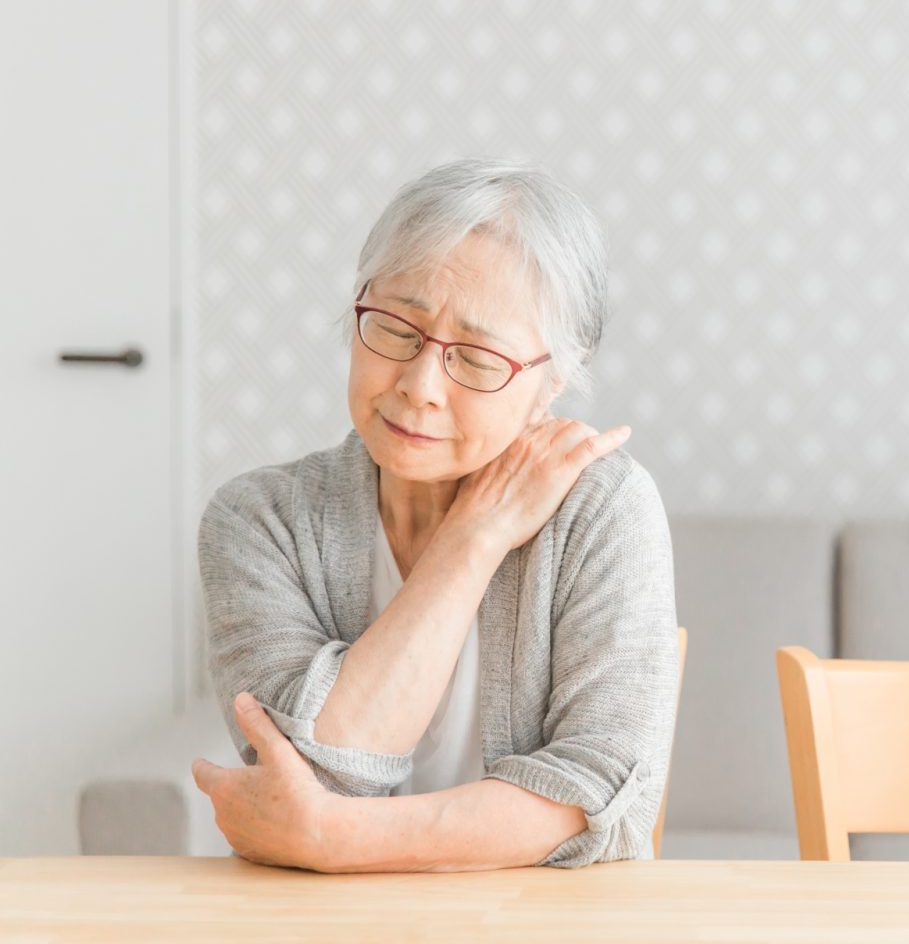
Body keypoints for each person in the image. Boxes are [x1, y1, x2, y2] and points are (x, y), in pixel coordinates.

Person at [189, 159, 678, 872]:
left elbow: (606, 798)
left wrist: (333, 838)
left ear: (553, 380)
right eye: (395, 328)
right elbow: (317, 773)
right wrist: (475, 538)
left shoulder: (602, 510)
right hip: (322, 921)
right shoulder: (259, 521)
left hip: (539, 921)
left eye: (476, 358)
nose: (419, 386)